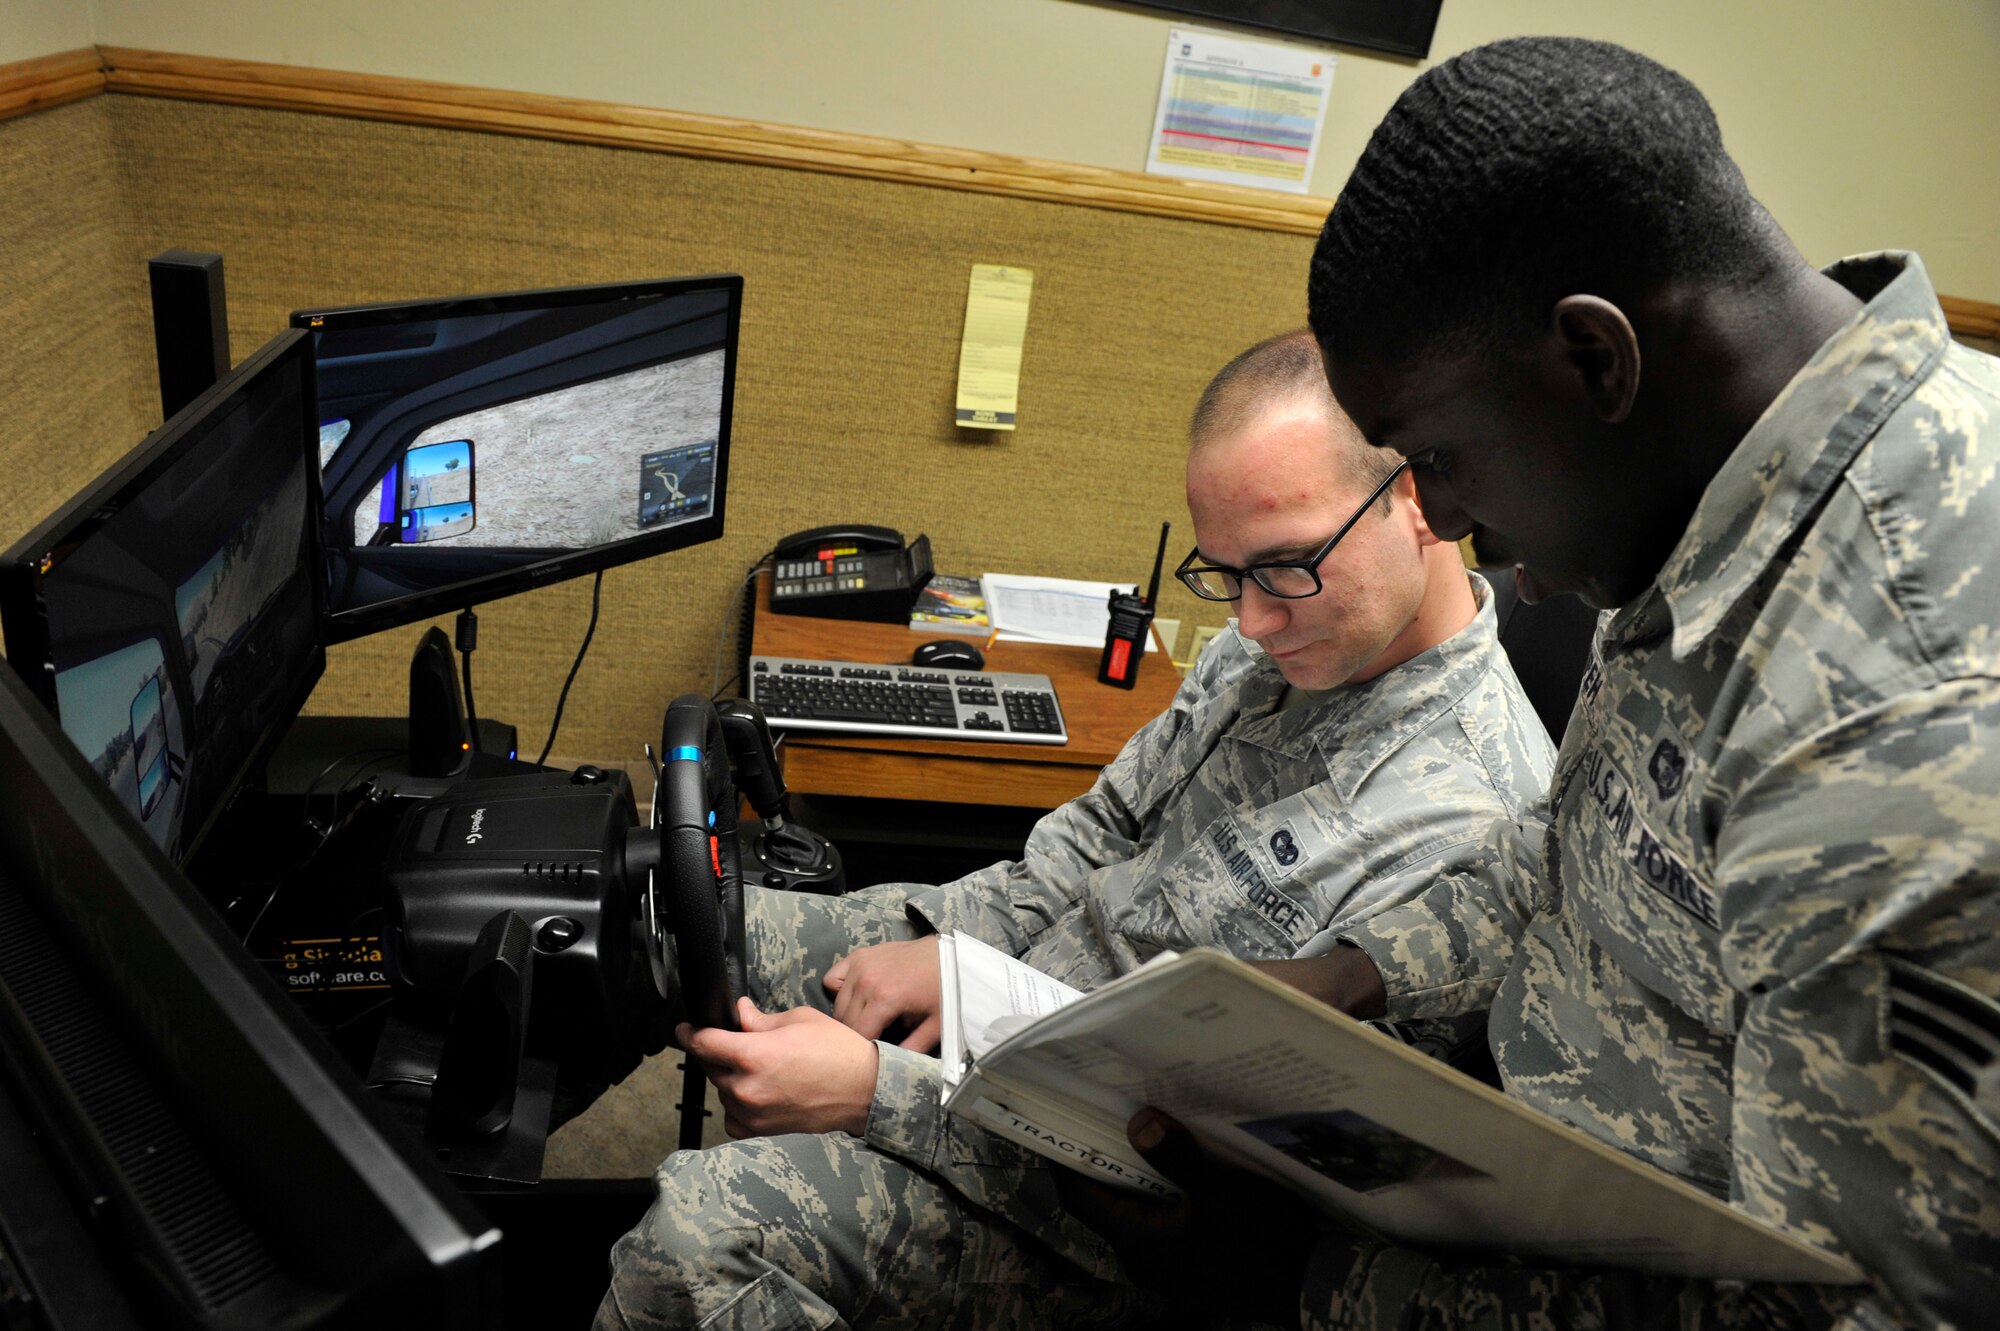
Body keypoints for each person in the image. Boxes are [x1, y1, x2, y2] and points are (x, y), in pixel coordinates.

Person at [1108, 35, 2000, 1331]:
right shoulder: (1712, 492)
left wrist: (1305, 1273)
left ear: (1597, 361)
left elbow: (1862, 1307)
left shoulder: (1911, 714)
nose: (1450, 522)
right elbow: (1579, 846)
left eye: (1444, 458)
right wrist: (1354, 975)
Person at [595, 330, 1558, 1329]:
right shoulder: (1281, 643)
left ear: (1418, 499)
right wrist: (955, 953)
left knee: (701, 1239)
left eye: (1284, 567)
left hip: (1093, 1214)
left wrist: (881, 1093)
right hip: (1015, 1013)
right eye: (1224, 575)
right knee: (651, 922)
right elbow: (1090, 841)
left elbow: (1208, 1181)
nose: (1254, 622)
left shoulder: (1466, 828)